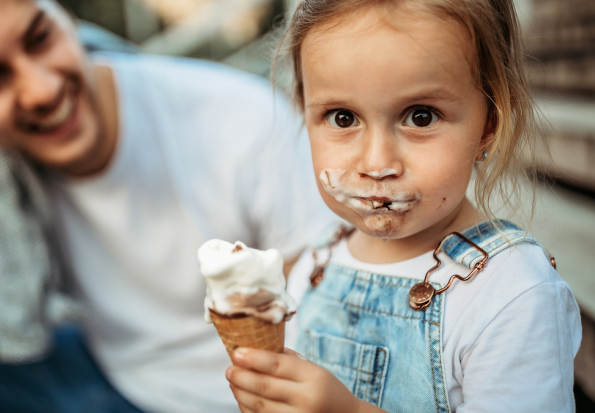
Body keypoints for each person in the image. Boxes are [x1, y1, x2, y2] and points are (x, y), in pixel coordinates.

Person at [0, 0, 340, 412]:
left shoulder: (241, 121)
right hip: (104, 364)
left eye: (40, 37)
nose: (42, 89)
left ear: (63, 14)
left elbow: (332, 308)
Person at [224, 0, 582, 412]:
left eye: (421, 116)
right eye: (342, 118)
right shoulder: (319, 261)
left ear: (490, 122)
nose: (377, 165)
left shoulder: (514, 296)